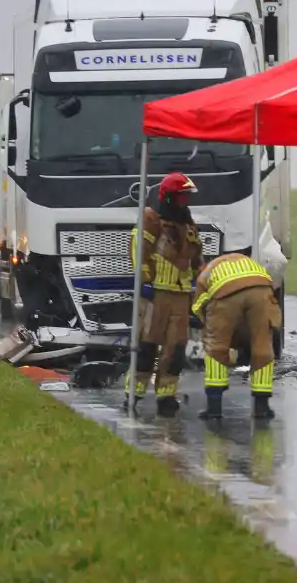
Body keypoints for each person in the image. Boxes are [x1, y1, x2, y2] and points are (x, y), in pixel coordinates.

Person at [127, 172, 203, 417]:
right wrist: (144, 282)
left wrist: (199, 282)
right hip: (155, 294)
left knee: (176, 348)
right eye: (181, 196)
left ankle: (166, 395)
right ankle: (134, 392)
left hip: (181, 296)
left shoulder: (189, 224)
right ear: (169, 197)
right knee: (147, 345)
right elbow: (139, 250)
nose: (185, 202)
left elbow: (197, 258)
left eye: (187, 197)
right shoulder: (151, 218)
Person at [192, 252, 282, 420]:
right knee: (261, 344)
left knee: (216, 347)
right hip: (262, 288)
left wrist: (210, 328)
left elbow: (200, 307)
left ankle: (214, 408)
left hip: (225, 292)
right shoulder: (245, 261)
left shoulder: (205, 275)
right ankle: (262, 407)